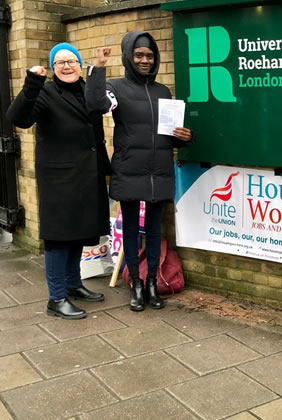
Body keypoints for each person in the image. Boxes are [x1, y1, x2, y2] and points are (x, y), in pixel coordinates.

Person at [86, 31, 192, 312]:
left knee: (155, 231)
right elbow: (96, 105)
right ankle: (135, 283)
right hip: (129, 169)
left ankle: (152, 284)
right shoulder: (115, 87)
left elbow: (167, 133)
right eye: (139, 55)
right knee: (131, 231)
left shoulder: (163, 91)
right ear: (128, 57)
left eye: (149, 55)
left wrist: (184, 137)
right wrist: (98, 69)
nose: (145, 60)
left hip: (159, 171)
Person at [7, 43, 110, 319]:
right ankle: (56, 297)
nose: (66, 66)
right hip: (59, 178)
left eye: (71, 61)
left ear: (79, 64)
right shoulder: (44, 93)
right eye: (60, 62)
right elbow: (17, 117)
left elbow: (99, 112)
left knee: (78, 232)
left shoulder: (87, 89)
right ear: (53, 68)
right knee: (58, 238)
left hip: (87, 174)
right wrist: (32, 83)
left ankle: (74, 284)